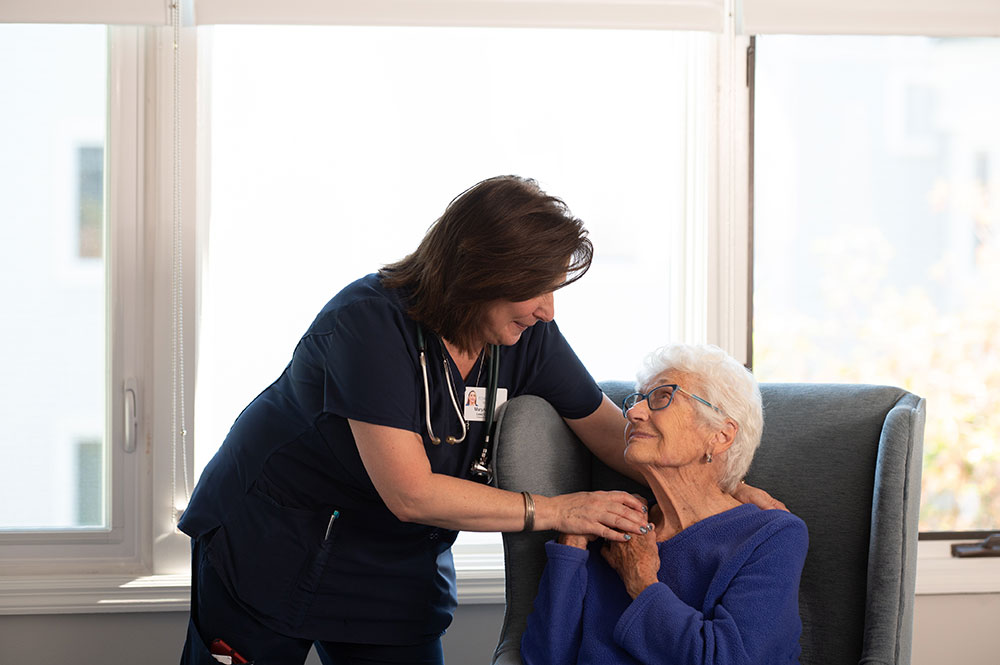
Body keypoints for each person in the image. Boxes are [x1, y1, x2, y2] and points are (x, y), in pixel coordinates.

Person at [178, 176, 780, 665]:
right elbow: (410, 492)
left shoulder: (527, 338)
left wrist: (718, 486)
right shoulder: (370, 325)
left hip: (394, 564)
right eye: (536, 290)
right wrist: (557, 510)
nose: (548, 310)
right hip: (274, 541)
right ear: (480, 274)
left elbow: (604, 426)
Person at [521, 343, 808, 665]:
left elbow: (729, 658)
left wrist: (641, 581)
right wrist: (572, 543)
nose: (632, 412)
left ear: (720, 435)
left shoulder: (771, 535)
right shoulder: (610, 523)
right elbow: (544, 657)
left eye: (662, 397)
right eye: (638, 399)